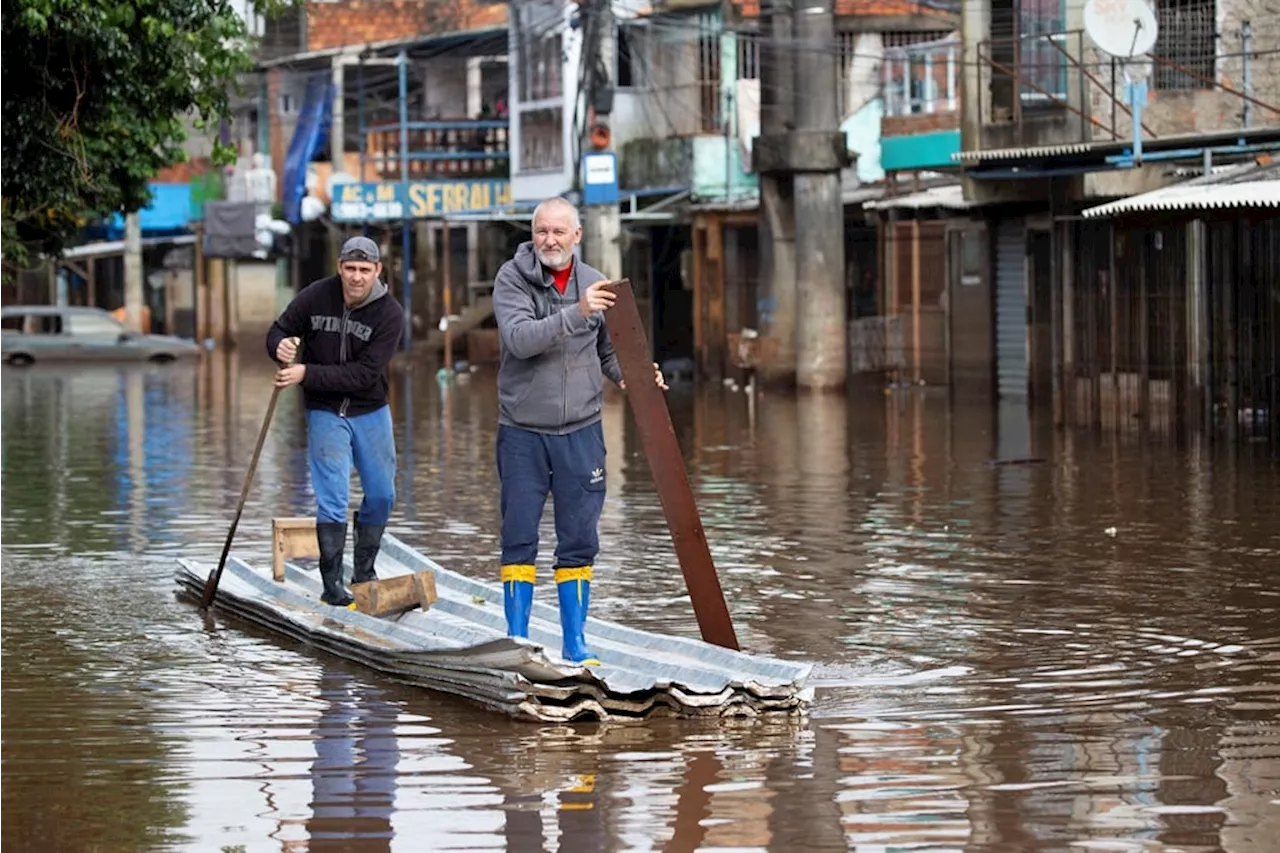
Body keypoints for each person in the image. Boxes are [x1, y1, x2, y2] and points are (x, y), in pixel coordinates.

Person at [492, 197, 668, 664]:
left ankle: (575, 645)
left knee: (578, 539)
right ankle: (517, 643)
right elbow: (520, 340)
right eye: (541, 231)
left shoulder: (595, 285)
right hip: (523, 431)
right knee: (519, 535)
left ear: (577, 236)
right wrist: (577, 312)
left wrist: (634, 376)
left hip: (582, 431)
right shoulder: (512, 279)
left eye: (558, 232)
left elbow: (608, 353)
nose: (549, 240)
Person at [266, 236, 405, 607]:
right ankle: (332, 585)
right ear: (339, 268)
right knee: (333, 498)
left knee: (381, 494)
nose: (356, 277)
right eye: (350, 269)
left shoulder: (390, 313)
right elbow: (279, 329)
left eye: (364, 270)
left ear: (377, 271)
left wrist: (305, 373)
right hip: (325, 410)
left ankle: (363, 571)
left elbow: (362, 375)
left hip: (370, 409)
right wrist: (278, 346)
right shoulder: (316, 296)